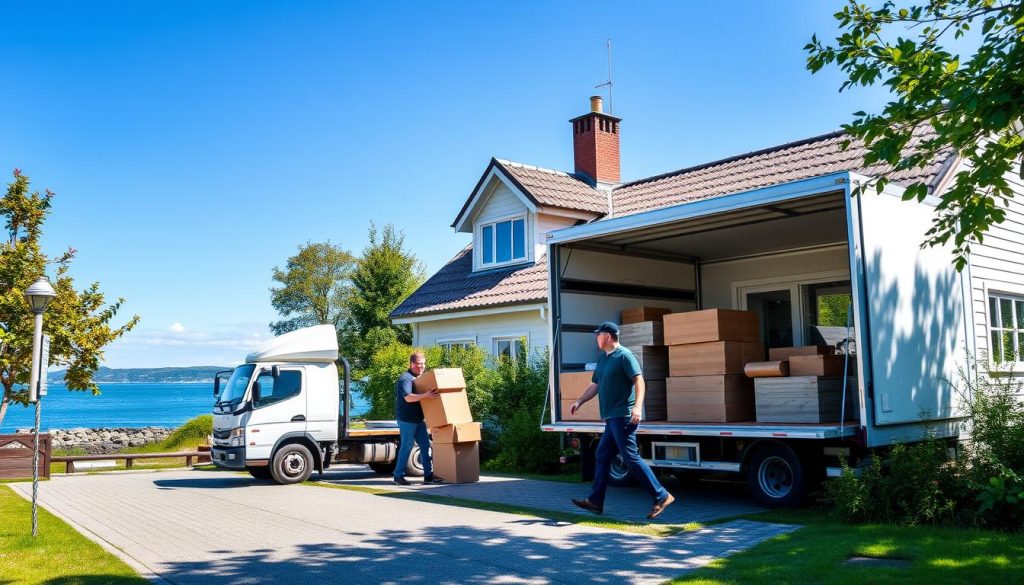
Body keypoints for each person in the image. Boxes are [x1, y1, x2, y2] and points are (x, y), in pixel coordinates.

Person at [570, 321, 675, 519]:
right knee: (602, 455)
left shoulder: (625, 356)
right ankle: (596, 501)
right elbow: (596, 385)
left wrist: (637, 407)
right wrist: (580, 401)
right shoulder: (603, 360)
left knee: (630, 457)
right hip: (611, 417)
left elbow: (639, 382)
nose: (596, 338)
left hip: (624, 415)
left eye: (598, 334)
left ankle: (662, 495)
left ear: (608, 336)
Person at [393, 351, 444, 485]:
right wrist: (426, 395)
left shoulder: (420, 378)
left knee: (426, 445)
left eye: (423, 364)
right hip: (407, 419)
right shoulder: (406, 378)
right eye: (419, 364)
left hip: (419, 419)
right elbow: (408, 398)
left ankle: (428, 475)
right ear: (411, 364)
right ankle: (398, 476)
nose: (422, 366)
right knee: (407, 446)